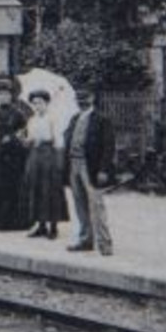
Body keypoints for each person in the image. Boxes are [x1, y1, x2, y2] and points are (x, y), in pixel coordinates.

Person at [63, 88, 116, 255]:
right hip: (74, 164)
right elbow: (67, 140)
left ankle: (105, 244)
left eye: (85, 98)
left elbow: (109, 147)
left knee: (97, 205)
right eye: (79, 99)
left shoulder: (102, 120)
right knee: (80, 205)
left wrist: (103, 169)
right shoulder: (74, 119)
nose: (82, 101)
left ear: (92, 98)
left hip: (91, 166)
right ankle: (86, 239)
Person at [0, 79, 32, 230]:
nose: (3, 97)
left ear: (11, 96)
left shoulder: (19, 114)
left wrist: (12, 138)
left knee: (13, 189)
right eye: (0, 94)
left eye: (6, 94)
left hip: (13, 158)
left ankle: (13, 223)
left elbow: (25, 133)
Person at [21, 89, 69, 240]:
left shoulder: (53, 118)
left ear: (46, 103)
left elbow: (59, 142)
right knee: (35, 188)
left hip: (49, 155)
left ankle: (53, 226)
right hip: (35, 156)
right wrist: (25, 140)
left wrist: (58, 161)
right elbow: (29, 139)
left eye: (40, 103)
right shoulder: (32, 120)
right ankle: (40, 225)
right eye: (34, 103)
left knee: (50, 190)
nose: (37, 106)